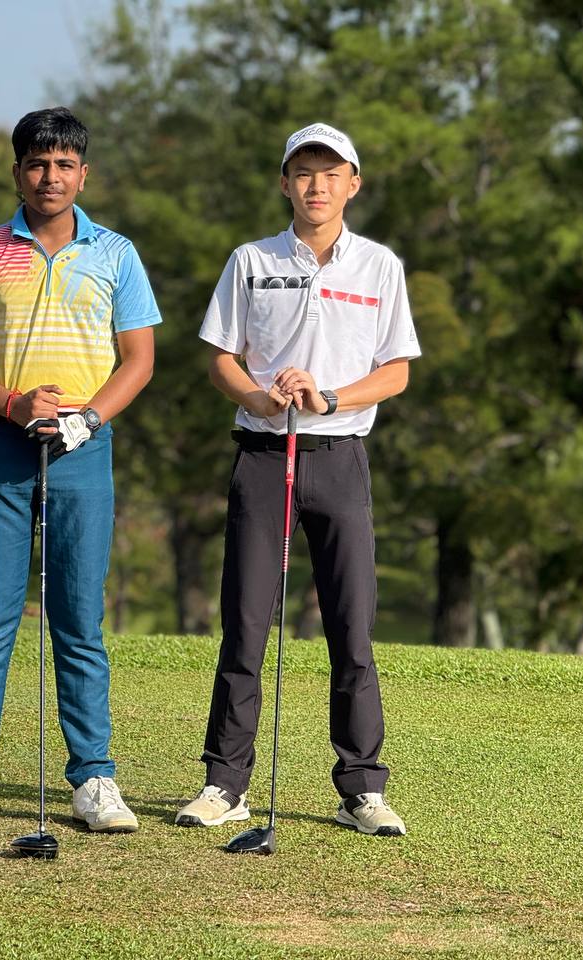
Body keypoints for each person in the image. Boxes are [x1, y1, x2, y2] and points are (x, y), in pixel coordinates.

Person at [176, 122, 420, 837]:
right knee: (245, 625)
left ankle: (362, 788)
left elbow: (396, 371)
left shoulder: (379, 266)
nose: (317, 185)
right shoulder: (251, 260)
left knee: (352, 626)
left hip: (339, 458)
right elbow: (221, 357)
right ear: (285, 183)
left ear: (353, 185)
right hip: (263, 455)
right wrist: (257, 398)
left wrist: (331, 398)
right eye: (304, 173)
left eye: (331, 173)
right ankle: (225, 784)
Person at [0, 107, 160, 834]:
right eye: (36, 164)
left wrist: (90, 418)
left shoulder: (115, 253)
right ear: (17, 172)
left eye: (63, 165)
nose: (49, 177)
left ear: (83, 174)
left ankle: (94, 777)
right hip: (1, 441)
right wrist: (13, 403)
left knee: (78, 620)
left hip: (83, 447)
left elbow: (139, 360)